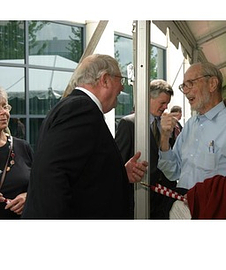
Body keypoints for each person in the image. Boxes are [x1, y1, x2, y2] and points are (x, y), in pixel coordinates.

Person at [22, 54, 148, 219]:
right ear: (104, 79)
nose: (122, 88)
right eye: (120, 79)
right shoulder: (81, 108)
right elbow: (53, 175)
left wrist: (120, 173)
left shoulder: (74, 106)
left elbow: (82, 174)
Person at [158, 62, 226, 219]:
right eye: (184, 86)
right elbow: (173, 171)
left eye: (190, 83)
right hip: (183, 210)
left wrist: (216, 197)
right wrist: (164, 137)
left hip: (216, 213)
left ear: (212, 84)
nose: (186, 91)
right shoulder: (190, 124)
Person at [115, 79, 176, 219]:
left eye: (167, 103)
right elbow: (120, 162)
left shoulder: (168, 125)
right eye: (162, 103)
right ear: (149, 98)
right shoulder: (128, 124)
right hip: (140, 196)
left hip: (165, 197)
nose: (165, 107)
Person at [0, 87, 34, 219]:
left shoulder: (22, 147)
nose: (4, 112)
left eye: (5, 106)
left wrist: (28, 196)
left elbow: (41, 185)